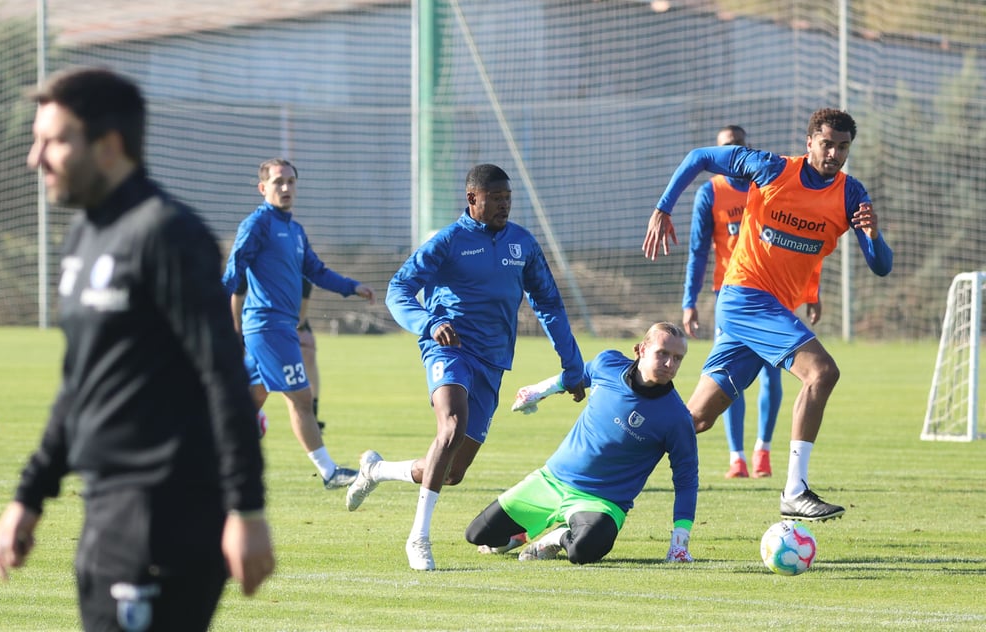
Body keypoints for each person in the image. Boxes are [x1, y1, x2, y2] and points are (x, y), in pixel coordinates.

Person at [0, 67, 274, 631]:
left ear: (109, 145)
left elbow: (223, 376)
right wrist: (29, 497)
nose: (34, 158)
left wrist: (247, 509)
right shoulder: (84, 237)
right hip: (103, 513)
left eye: (53, 141)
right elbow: (80, 384)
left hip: (167, 519)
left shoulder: (167, 234)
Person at [643, 108, 893, 521]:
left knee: (696, 419)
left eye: (842, 147)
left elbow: (881, 266)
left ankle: (608, 468)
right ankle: (795, 489)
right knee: (822, 373)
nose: (833, 154)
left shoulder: (851, 194)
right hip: (744, 297)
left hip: (766, 311)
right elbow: (698, 158)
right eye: (826, 144)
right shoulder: (770, 168)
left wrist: (873, 235)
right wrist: (663, 208)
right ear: (809, 142)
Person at [345, 163, 586, 571]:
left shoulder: (522, 244)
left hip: (493, 362)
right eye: (495, 199)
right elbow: (398, 289)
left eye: (508, 199)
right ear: (472, 198)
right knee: (452, 426)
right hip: (449, 350)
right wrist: (428, 323)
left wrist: (572, 366)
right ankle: (419, 537)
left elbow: (548, 303)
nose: (504, 206)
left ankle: (376, 470)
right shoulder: (449, 241)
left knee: (452, 472)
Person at [466, 322, 699, 565]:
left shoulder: (677, 418)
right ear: (641, 349)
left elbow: (686, 478)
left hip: (601, 503)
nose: (670, 364)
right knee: (477, 534)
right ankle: (519, 536)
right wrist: (538, 391)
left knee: (583, 551)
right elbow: (577, 376)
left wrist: (679, 542)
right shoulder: (607, 364)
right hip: (551, 481)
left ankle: (557, 538)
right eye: (663, 353)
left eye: (677, 358)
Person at [223, 158, 375, 489]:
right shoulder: (257, 225)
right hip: (267, 327)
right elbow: (234, 273)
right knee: (302, 399)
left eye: (291, 181)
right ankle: (330, 472)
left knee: (251, 399)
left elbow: (316, 271)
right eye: (278, 182)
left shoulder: (294, 230)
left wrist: (352, 287)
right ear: (263, 188)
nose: (286, 187)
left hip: (280, 328)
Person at [682, 125, 822, 479]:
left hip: (774, 292)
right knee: (730, 379)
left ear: (746, 148)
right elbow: (699, 250)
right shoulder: (711, 192)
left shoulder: (768, 183)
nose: (731, 152)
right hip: (731, 295)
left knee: (772, 376)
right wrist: (689, 301)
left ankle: (763, 451)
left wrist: (812, 291)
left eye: (737, 145)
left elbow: (807, 238)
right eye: (725, 147)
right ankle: (737, 457)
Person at [297, 280, 326, 431]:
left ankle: (312, 412)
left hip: (292, 318)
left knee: (308, 354)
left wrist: (300, 326)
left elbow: (304, 295)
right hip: (264, 319)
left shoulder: (302, 272)